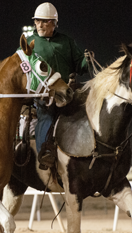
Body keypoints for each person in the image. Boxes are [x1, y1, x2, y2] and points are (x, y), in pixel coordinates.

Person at [27, 2, 89, 169]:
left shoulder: (66, 42)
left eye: (44, 21)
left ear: (54, 23)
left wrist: (87, 61)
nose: (39, 24)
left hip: (66, 92)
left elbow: (80, 65)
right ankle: (45, 152)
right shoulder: (29, 43)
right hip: (43, 94)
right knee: (46, 114)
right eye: (37, 21)